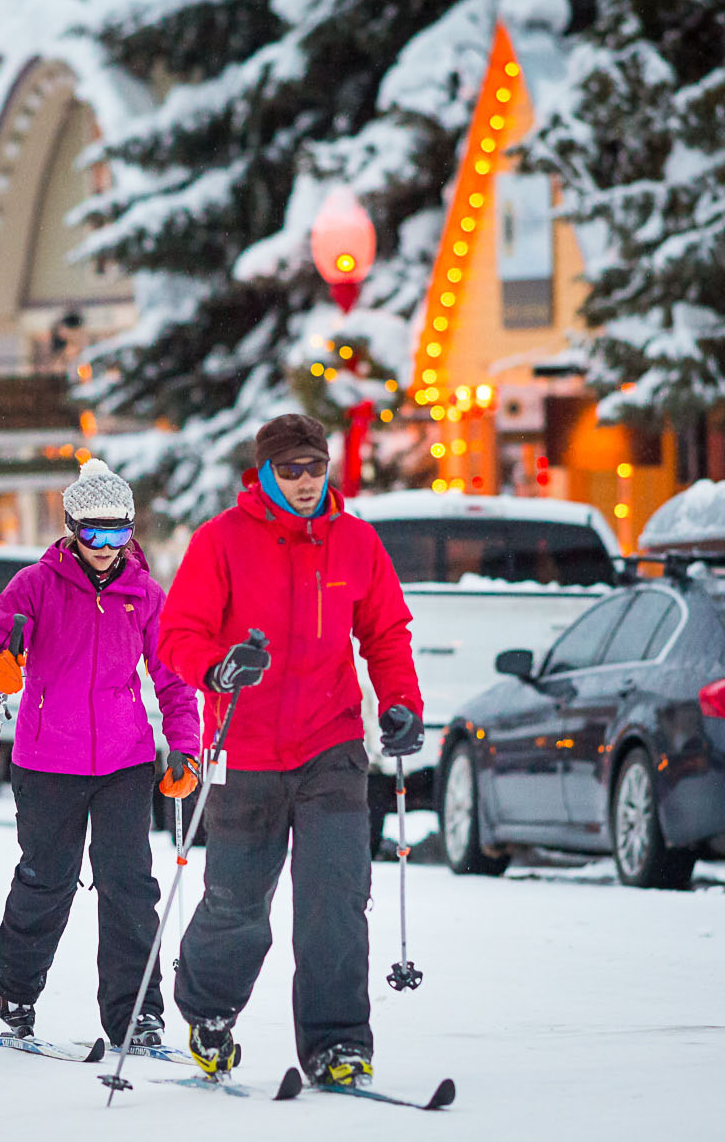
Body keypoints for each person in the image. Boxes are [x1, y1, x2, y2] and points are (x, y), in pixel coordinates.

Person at [157, 412, 423, 1088]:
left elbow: (387, 633)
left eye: (315, 467)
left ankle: (337, 1045)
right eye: (290, 470)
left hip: (331, 745)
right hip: (244, 749)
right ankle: (209, 1010)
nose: (305, 482)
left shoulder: (357, 542)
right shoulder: (221, 541)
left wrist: (400, 706)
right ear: (266, 472)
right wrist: (218, 668)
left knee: (336, 900)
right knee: (238, 903)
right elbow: (177, 635)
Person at [0, 458, 201, 1049]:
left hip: (124, 761)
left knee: (129, 887)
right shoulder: (34, 585)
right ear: (72, 528)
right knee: (48, 881)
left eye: (119, 533)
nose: (106, 546)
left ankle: (137, 1016)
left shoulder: (144, 594)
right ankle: (17, 991)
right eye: (95, 533)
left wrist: (184, 749)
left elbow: (172, 680)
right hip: (47, 763)